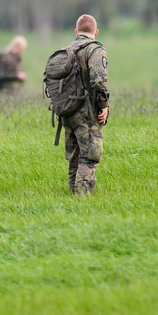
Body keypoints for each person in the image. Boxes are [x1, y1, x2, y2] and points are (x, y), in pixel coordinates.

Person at [57, 14, 109, 196]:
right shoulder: (95, 50)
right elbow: (98, 81)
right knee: (89, 156)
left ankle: (73, 194)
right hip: (86, 111)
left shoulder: (66, 51)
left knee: (74, 156)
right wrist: (103, 106)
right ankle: (82, 198)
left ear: (76, 31)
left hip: (66, 110)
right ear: (96, 31)